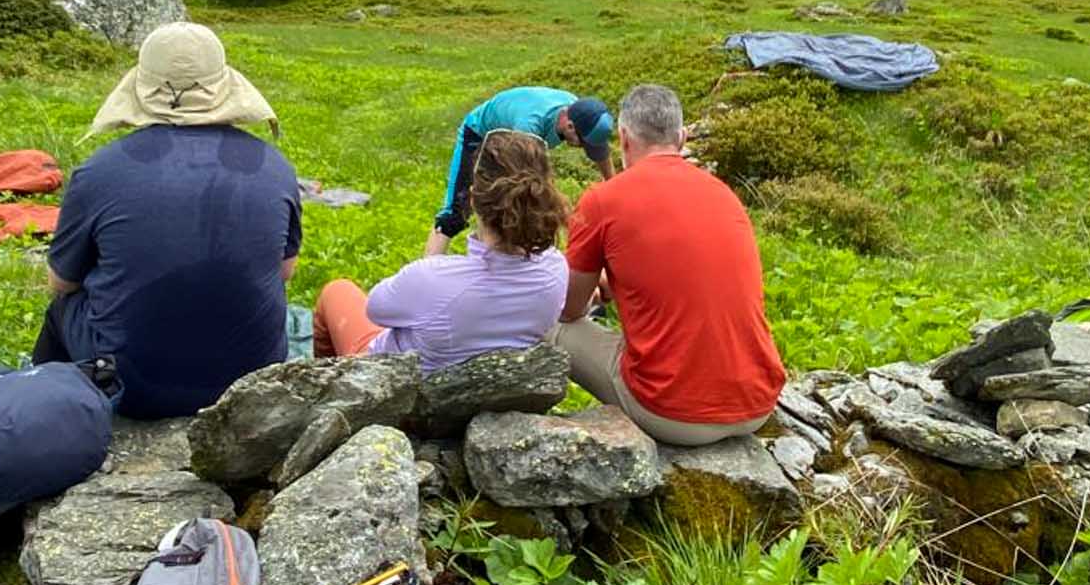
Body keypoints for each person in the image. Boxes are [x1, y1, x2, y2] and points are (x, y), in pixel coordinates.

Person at [33, 22, 301, 419]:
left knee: (63, 307)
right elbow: (285, 270)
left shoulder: (100, 170)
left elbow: (62, 281)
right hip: (248, 384)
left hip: (133, 389)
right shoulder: (275, 167)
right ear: (225, 86)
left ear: (139, 89)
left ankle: (49, 412)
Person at [556, 83, 783, 445]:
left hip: (671, 413)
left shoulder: (603, 200)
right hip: (758, 404)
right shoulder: (723, 193)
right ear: (680, 136)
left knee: (552, 327)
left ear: (624, 137)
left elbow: (568, 309)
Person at [312, 129, 570, 369]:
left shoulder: (433, 278)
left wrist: (429, 261)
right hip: (488, 389)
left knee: (337, 291)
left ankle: (325, 389)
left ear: (473, 199)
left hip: (398, 385)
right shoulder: (556, 269)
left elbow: (377, 309)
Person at [427, 87, 612, 255]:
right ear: (569, 126)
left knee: (516, 213)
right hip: (478, 134)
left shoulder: (581, 113)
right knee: (458, 212)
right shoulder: (530, 125)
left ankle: (502, 266)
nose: (581, 148)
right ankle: (428, 273)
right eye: (582, 142)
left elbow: (601, 155)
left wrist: (612, 186)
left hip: (510, 140)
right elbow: (529, 185)